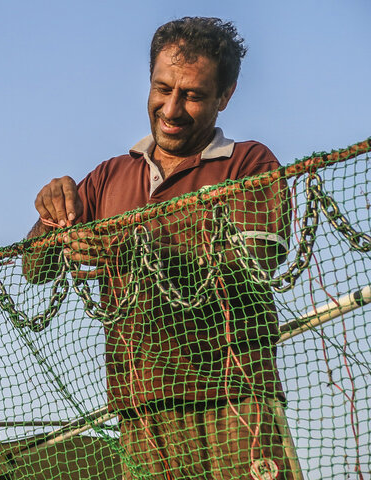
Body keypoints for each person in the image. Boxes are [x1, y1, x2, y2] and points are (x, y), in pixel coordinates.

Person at [24, 17, 301, 480]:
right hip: (140, 409)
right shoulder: (110, 176)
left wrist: (143, 246)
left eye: (192, 94)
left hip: (235, 397)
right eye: (162, 87)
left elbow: (257, 259)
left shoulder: (249, 162)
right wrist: (50, 216)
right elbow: (36, 269)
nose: (171, 108)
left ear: (225, 96)